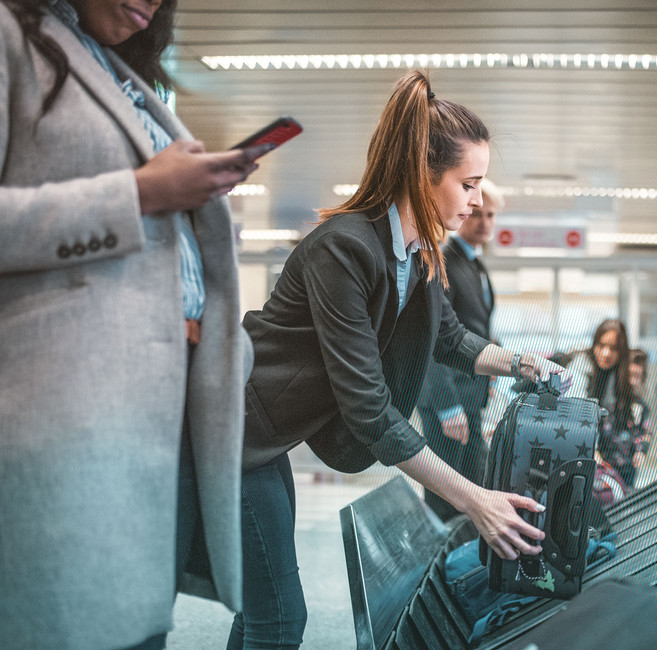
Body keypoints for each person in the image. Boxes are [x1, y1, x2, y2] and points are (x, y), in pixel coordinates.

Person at [233, 70, 568, 649]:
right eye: (469, 183)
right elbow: (368, 410)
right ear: (423, 175)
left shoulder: (415, 252)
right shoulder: (346, 247)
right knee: (280, 617)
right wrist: (475, 498)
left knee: (266, 611)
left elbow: (453, 341)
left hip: (265, 439)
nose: (478, 199)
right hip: (228, 431)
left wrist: (527, 366)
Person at [0, 0, 264, 648]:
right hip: (65, 410)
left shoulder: (117, 68)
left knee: (139, 628)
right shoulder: (1, 30)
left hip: (168, 414)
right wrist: (140, 194)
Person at [417, 178, 504, 521]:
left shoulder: (475, 264)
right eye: (478, 214)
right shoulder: (445, 260)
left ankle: (458, 562)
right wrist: (447, 405)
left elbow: (477, 328)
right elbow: (433, 338)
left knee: (470, 487)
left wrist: (494, 369)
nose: (484, 222)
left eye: (491, 215)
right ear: (464, 213)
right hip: (448, 400)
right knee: (447, 496)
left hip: (469, 396)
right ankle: (441, 568)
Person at [566, 319, 634, 469]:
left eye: (614, 348)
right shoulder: (580, 369)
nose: (606, 353)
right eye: (601, 345)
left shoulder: (618, 376)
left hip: (606, 458)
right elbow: (576, 419)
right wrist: (592, 450)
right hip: (577, 452)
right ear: (594, 343)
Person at [620, 348, 652, 489]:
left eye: (637, 376)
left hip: (629, 468)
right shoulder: (611, 400)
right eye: (630, 375)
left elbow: (647, 432)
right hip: (606, 464)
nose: (633, 381)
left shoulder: (642, 406)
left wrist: (641, 451)